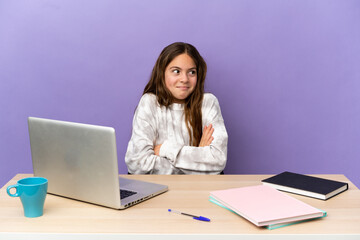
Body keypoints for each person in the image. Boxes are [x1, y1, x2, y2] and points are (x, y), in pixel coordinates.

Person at [125, 42, 228, 174]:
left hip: (198, 189)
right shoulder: (149, 102)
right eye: (176, 71)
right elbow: (137, 164)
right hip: (158, 189)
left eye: (192, 72)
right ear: (162, 73)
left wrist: (164, 149)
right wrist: (197, 160)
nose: (184, 79)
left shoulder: (208, 103)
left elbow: (218, 160)